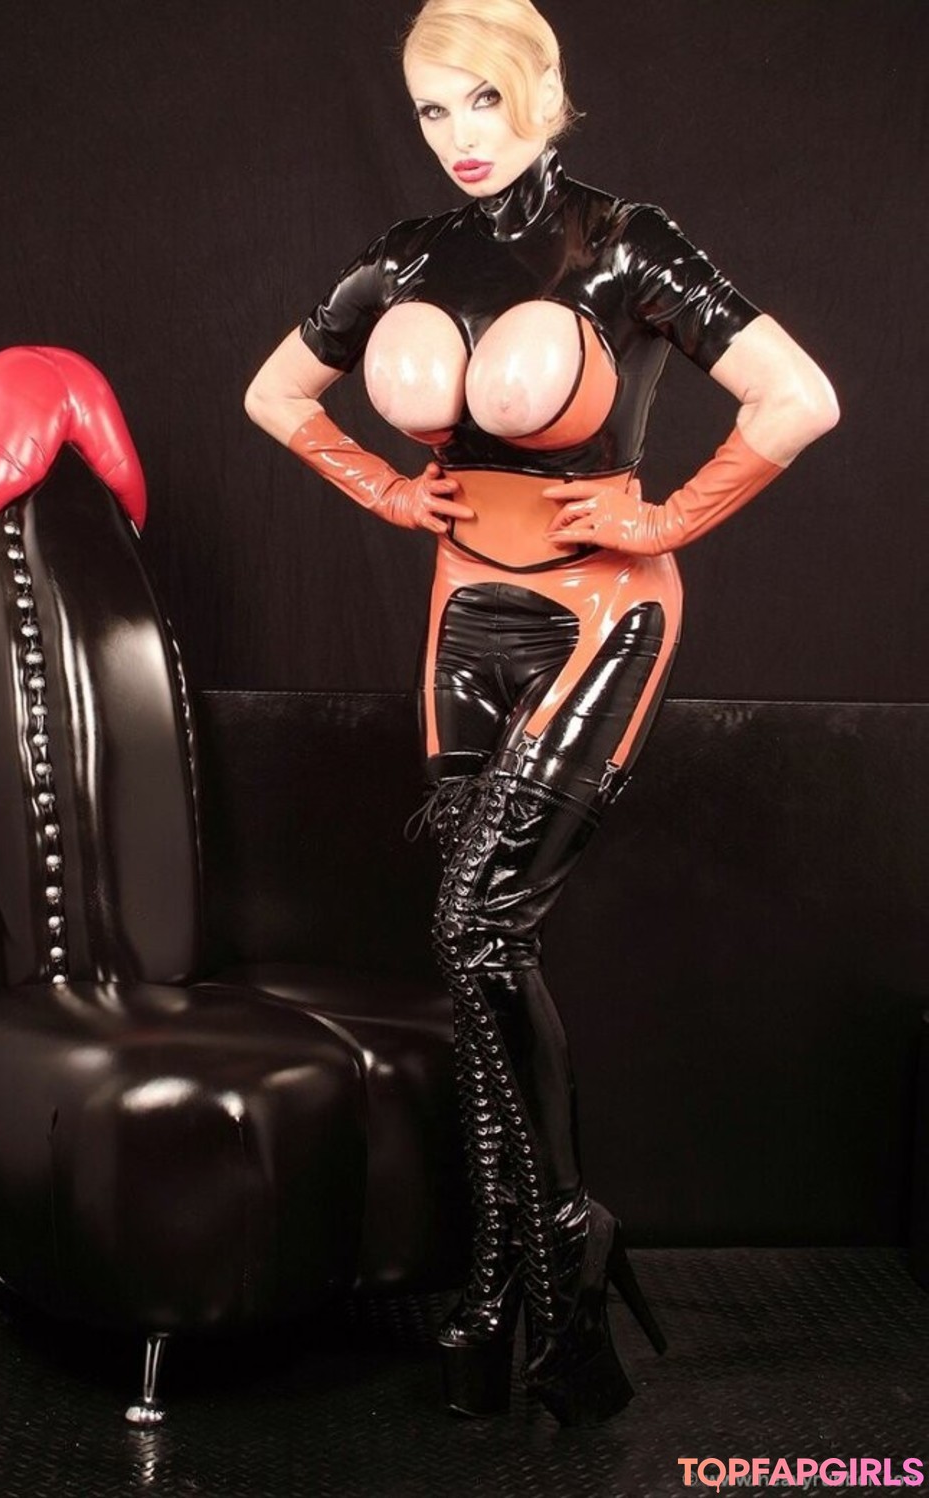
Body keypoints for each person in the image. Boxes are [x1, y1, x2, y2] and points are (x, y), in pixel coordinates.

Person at [245, 0, 838, 1427]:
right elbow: (275, 395)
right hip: (462, 618)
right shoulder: (412, 253)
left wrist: (667, 514)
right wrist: (389, 489)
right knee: (476, 956)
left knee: (477, 925)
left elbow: (797, 398)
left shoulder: (628, 241)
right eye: (431, 108)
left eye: (483, 100)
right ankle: (509, 1276)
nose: (458, 135)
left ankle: (558, 1242)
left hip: (601, 610)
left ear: (545, 91)